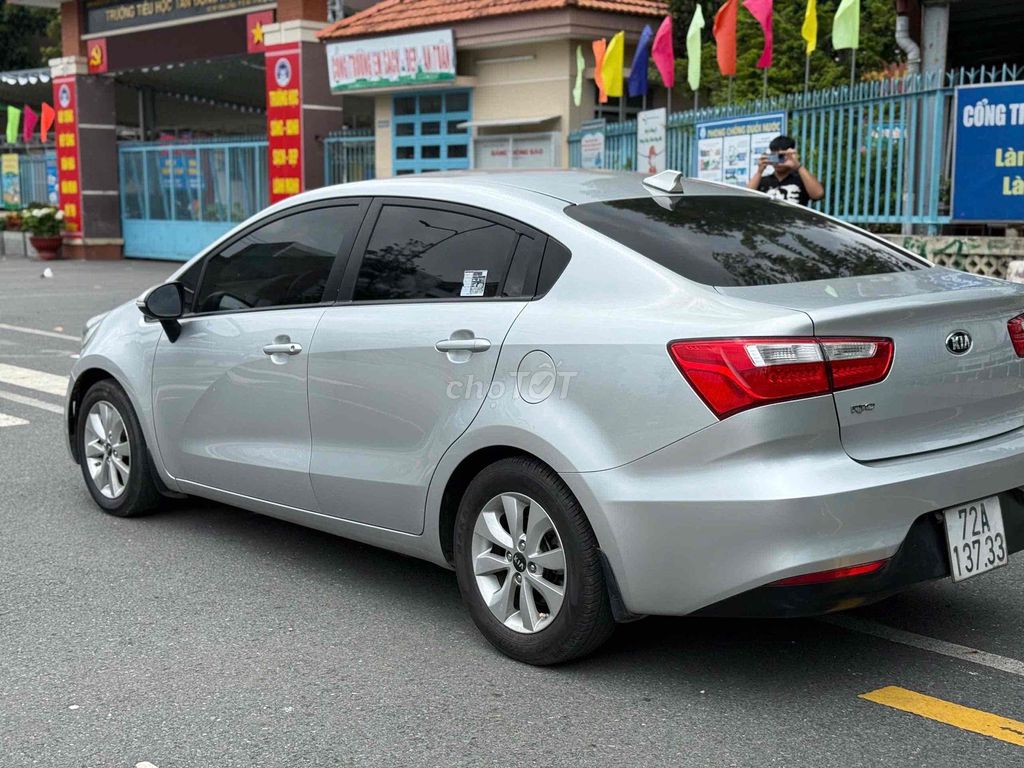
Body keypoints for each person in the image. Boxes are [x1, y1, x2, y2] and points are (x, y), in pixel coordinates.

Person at [747, 135, 824, 205]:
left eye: (781, 156)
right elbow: (746, 197)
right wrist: (759, 171)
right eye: (775, 156)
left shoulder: (802, 180)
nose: (778, 160)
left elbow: (818, 194)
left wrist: (798, 166)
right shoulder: (763, 181)